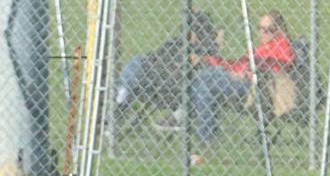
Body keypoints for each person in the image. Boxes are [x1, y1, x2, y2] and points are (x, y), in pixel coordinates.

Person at [190, 10, 296, 145]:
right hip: (240, 81)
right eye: (260, 28)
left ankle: (188, 122)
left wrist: (250, 72)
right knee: (204, 83)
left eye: (268, 29)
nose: (262, 33)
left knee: (205, 78)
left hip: (257, 89)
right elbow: (237, 64)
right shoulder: (262, 48)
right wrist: (208, 59)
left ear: (278, 30)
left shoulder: (283, 46)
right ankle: (205, 137)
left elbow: (281, 68)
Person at [115, 9, 220, 115]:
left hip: (170, 88)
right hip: (154, 81)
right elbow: (158, 56)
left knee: (137, 63)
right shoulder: (178, 42)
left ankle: (120, 99)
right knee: (137, 62)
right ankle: (119, 101)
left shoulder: (204, 51)